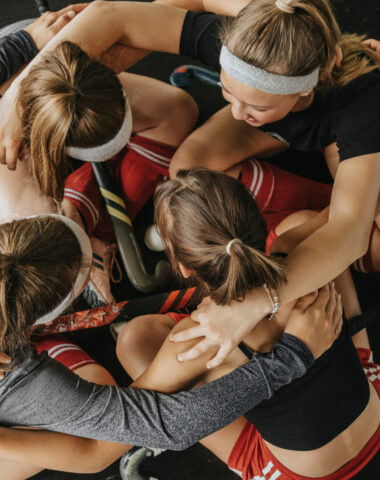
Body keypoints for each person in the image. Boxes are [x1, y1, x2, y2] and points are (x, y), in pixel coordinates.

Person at [0, 0, 377, 365]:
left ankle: (345, 197)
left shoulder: (359, 105)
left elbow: (349, 231)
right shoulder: (239, 35)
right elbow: (109, 14)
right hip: (285, 125)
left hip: (342, 131)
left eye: (254, 105)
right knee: (188, 172)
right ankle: (339, 197)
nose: (235, 111)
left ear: (304, 90)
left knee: (369, 248)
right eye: (227, 92)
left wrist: (259, 300)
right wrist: (19, 99)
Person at [0, 214, 337, 479]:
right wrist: (290, 359)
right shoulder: (32, 386)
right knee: (108, 391)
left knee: (134, 356)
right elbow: (160, 429)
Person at [115, 168, 379, 480]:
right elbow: (359, 207)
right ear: (257, 223)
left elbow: (129, 416)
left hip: (304, 475)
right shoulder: (300, 253)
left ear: (185, 268)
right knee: (307, 230)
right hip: (372, 418)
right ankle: (363, 353)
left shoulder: (194, 339)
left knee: (134, 340)